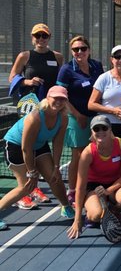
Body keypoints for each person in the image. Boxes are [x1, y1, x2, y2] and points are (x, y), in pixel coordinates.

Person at [0, 86, 73, 230]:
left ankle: (66, 206)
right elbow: (26, 148)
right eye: (55, 98)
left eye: (62, 99)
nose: (58, 101)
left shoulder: (63, 118)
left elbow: (58, 143)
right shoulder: (35, 117)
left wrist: (57, 167)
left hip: (38, 145)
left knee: (54, 176)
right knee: (26, 186)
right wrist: (32, 172)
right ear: (47, 97)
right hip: (16, 145)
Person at [8, 23, 64, 207]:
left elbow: (60, 80)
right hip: (29, 107)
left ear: (49, 37)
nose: (41, 39)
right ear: (32, 38)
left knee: (41, 144)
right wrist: (27, 81)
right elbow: (12, 77)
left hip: (51, 107)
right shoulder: (25, 56)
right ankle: (27, 188)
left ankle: (34, 186)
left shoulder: (57, 57)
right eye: (37, 36)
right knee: (28, 143)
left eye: (44, 36)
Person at [66, 116, 121, 239]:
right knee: (95, 215)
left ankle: (113, 210)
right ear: (92, 132)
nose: (100, 131)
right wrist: (77, 220)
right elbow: (80, 187)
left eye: (104, 128)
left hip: (115, 184)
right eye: (96, 129)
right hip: (93, 187)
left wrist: (108, 191)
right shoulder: (87, 153)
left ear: (110, 129)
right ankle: (93, 211)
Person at [57, 36, 104, 206]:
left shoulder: (97, 66)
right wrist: (77, 115)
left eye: (83, 48)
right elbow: (62, 96)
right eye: (75, 49)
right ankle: (72, 190)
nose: (79, 52)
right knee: (78, 155)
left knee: (94, 154)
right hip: (76, 118)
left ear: (89, 50)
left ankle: (89, 186)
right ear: (71, 52)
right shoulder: (66, 69)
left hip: (96, 117)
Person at [88, 45, 121, 146]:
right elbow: (91, 104)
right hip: (105, 126)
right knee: (105, 158)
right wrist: (113, 111)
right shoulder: (103, 78)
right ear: (111, 59)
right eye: (117, 57)